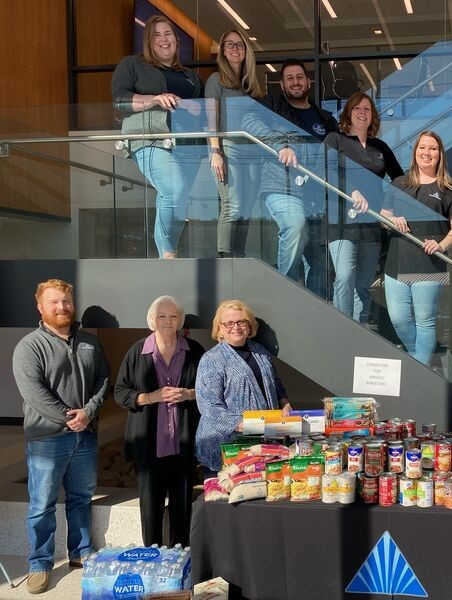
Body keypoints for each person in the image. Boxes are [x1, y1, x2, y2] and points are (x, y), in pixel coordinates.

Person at [12, 279, 109, 595]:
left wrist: (89, 413)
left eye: (66, 301)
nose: (61, 307)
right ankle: (39, 563)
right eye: (54, 302)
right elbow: (34, 393)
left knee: (81, 498)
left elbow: (103, 380)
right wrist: (72, 419)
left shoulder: (91, 342)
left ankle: (81, 552)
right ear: (40, 306)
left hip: (86, 436)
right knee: (41, 504)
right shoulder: (30, 346)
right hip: (47, 439)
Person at [114, 295, 204, 547]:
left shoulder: (194, 350)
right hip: (149, 447)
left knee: (182, 508)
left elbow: (210, 389)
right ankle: (151, 559)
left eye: (173, 316)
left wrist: (189, 393)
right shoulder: (137, 351)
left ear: (180, 320)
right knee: (150, 509)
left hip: (183, 444)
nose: (167, 320)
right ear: (152, 321)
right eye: (161, 316)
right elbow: (120, 392)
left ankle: (180, 558)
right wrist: (150, 397)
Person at [112, 15, 204, 259]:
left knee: (179, 198)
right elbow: (119, 99)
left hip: (188, 145)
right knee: (174, 190)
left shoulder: (190, 75)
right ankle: (167, 255)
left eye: (168, 34)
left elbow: (203, 108)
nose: (164, 40)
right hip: (151, 139)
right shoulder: (133, 64)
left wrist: (193, 107)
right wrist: (154, 99)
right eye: (157, 35)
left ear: (176, 40)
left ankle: (169, 253)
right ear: (149, 42)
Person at [381, 131, 452, 366]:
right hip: (397, 262)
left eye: (432, 149)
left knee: (425, 321)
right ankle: (422, 364)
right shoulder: (399, 183)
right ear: (415, 152)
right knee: (398, 319)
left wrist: (441, 245)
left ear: (440, 155)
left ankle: (418, 371)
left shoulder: (450, 187)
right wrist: (392, 220)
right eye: (422, 148)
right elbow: (383, 217)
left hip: (429, 263)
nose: (427, 153)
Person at [256, 59, 339, 295]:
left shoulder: (324, 118)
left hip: (315, 193)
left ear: (308, 81)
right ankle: (287, 292)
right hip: (281, 185)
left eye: (300, 77)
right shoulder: (271, 106)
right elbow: (248, 121)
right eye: (290, 78)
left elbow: (339, 153)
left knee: (321, 258)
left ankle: (312, 309)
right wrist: (280, 145)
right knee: (294, 225)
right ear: (282, 84)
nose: (295, 82)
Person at [324, 92, 404, 323]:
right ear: (348, 113)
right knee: (345, 277)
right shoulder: (335, 140)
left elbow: (399, 179)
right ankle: (342, 327)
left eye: (367, 109)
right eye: (357, 108)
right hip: (341, 224)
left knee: (363, 283)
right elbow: (327, 172)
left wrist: (387, 208)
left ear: (372, 116)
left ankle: (360, 331)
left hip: (371, 225)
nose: (362, 112)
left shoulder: (380, 146)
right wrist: (352, 192)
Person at [195, 300, 292, 475]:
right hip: (227, 445)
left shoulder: (259, 351)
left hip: (263, 439)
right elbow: (209, 407)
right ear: (220, 328)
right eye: (229, 323)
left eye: (241, 321)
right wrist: (244, 425)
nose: (236, 327)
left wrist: (285, 404)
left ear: (249, 326)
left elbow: (276, 384)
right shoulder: (211, 359)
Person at [205, 29, 264, 257]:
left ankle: (238, 257)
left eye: (239, 44)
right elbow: (210, 119)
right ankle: (225, 257)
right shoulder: (215, 80)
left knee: (247, 209)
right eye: (229, 44)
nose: (234, 48)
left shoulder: (251, 85)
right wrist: (215, 150)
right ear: (222, 50)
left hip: (252, 152)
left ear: (246, 50)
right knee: (233, 205)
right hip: (228, 148)